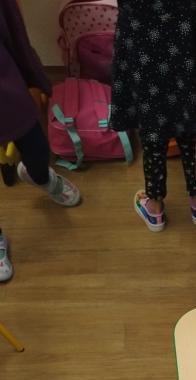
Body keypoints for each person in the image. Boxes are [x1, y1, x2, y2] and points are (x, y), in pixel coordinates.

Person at [110, 0, 196, 231]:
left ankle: (155, 207)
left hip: (139, 33)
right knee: (188, 116)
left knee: (151, 123)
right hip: (182, 30)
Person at [0, 0, 80, 283]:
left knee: (36, 149)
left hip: (6, 93)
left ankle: (40, 176)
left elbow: (16, 36)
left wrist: (36, 79)